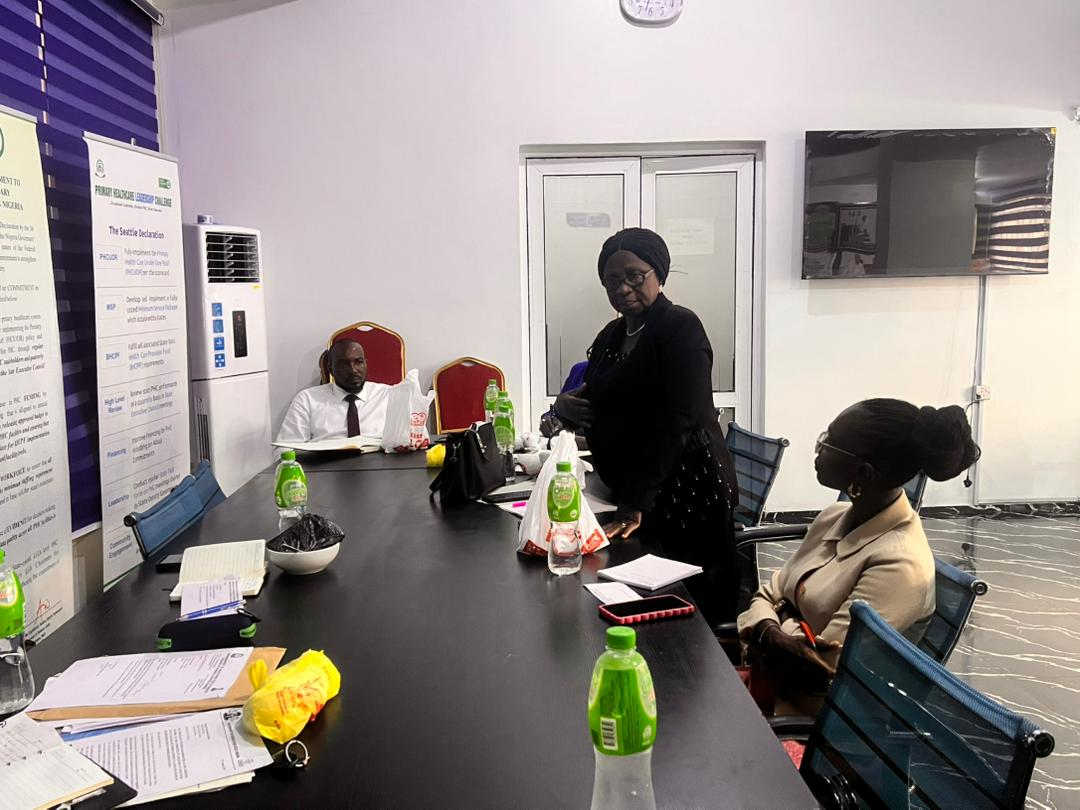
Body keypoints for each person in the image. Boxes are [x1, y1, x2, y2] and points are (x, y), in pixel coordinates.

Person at [736, 399, 981, 716]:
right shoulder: (834, 516)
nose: (818, 449)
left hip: (798, 717)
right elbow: (767, 593)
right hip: (763, 684)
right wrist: (771, 634)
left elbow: (817, 669)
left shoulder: (899, 565)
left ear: (863, 473)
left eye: (829, 443)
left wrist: (771, 619)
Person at [553, 228, 740, 625]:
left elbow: (678, 421)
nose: (622, 288)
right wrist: (563, 405)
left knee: (688, 603)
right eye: (611, 280)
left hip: (686, 490)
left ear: (659, 274)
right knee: (637, 596)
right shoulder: (613, 334)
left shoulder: (680, 328)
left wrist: (636, 501)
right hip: (635, 488)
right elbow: (594, 394)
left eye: (634, 276)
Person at [276, 340, 391, 443]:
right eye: (344, 365)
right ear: (331, 369)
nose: (353, 370)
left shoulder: (388, 395)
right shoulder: (307, 400)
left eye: (358, 362)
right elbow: (285, 449)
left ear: (366, 364)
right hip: (325, 459)